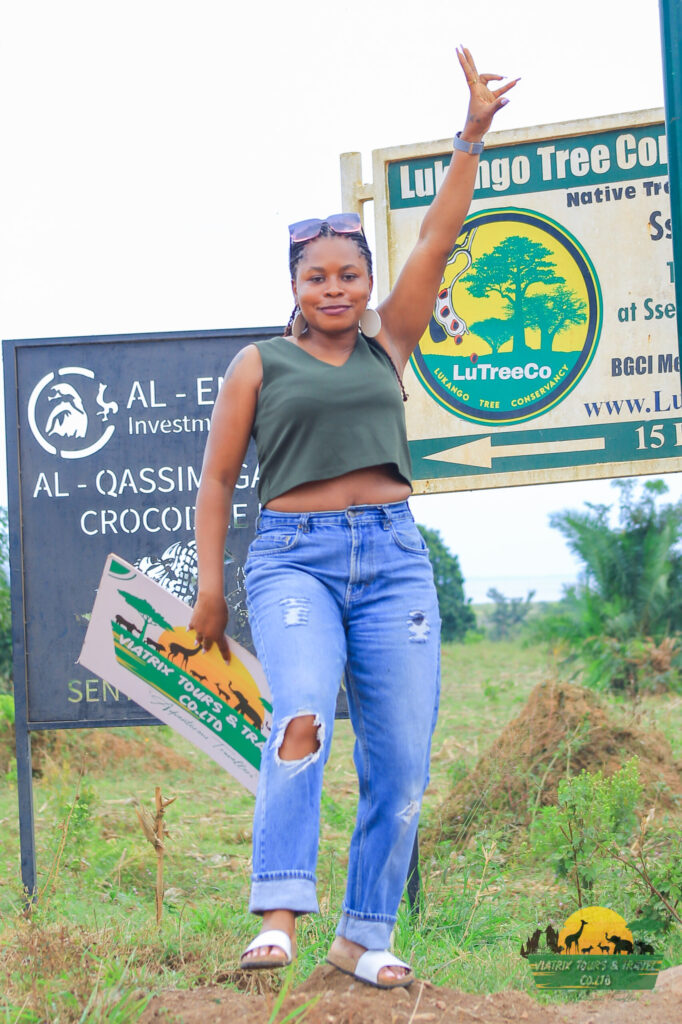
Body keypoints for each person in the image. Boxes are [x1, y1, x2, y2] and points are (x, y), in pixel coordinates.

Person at [189, 47, 517, 989]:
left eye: (348, 276)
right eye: (315, 277)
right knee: (300, 717)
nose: (334, 289)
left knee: (402, 760)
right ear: (293, 286)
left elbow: (439, 239)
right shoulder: (259, 364)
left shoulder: (388, 343)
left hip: (394, 560)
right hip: (294, 560)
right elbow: (218, 481)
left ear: (368, 284)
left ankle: (364, 937)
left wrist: (471, 135)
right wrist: (210, 589)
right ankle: (278, 915)